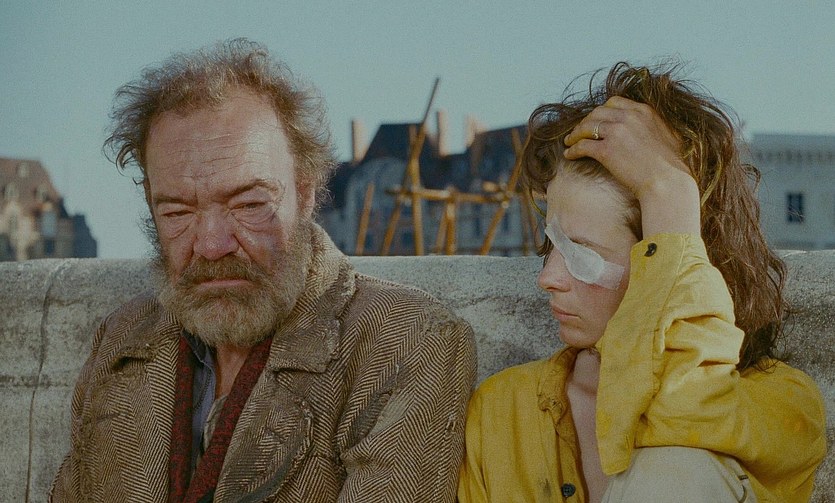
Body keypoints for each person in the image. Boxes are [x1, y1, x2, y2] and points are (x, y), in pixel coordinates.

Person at [50, 38, 476, 502]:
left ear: (305, 194)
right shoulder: (121, 337)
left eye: (249, 205)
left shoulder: (408, 340)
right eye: (176, 213)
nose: (211, 246)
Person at [457, 62, 827, 502]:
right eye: (552, 243)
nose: (547, 278)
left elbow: (684, 415)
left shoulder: (783, 405)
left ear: (683, 253)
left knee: (677, 467)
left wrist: (667, 191)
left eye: (583, 253)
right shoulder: (501, 409)